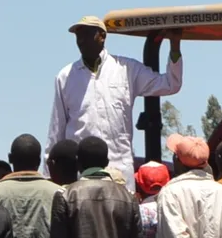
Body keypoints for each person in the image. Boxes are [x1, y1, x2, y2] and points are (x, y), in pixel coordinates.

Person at [47, 17, 182, 182]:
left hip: (119, 172)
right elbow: (56, 130)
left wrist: (175, 46)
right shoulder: (66, 76)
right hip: (82, 177)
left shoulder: (126, 69)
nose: (81, 41)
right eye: (78, 36)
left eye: (87, 35)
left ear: (102, 36)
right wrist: (49, 176)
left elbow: (170, 84)